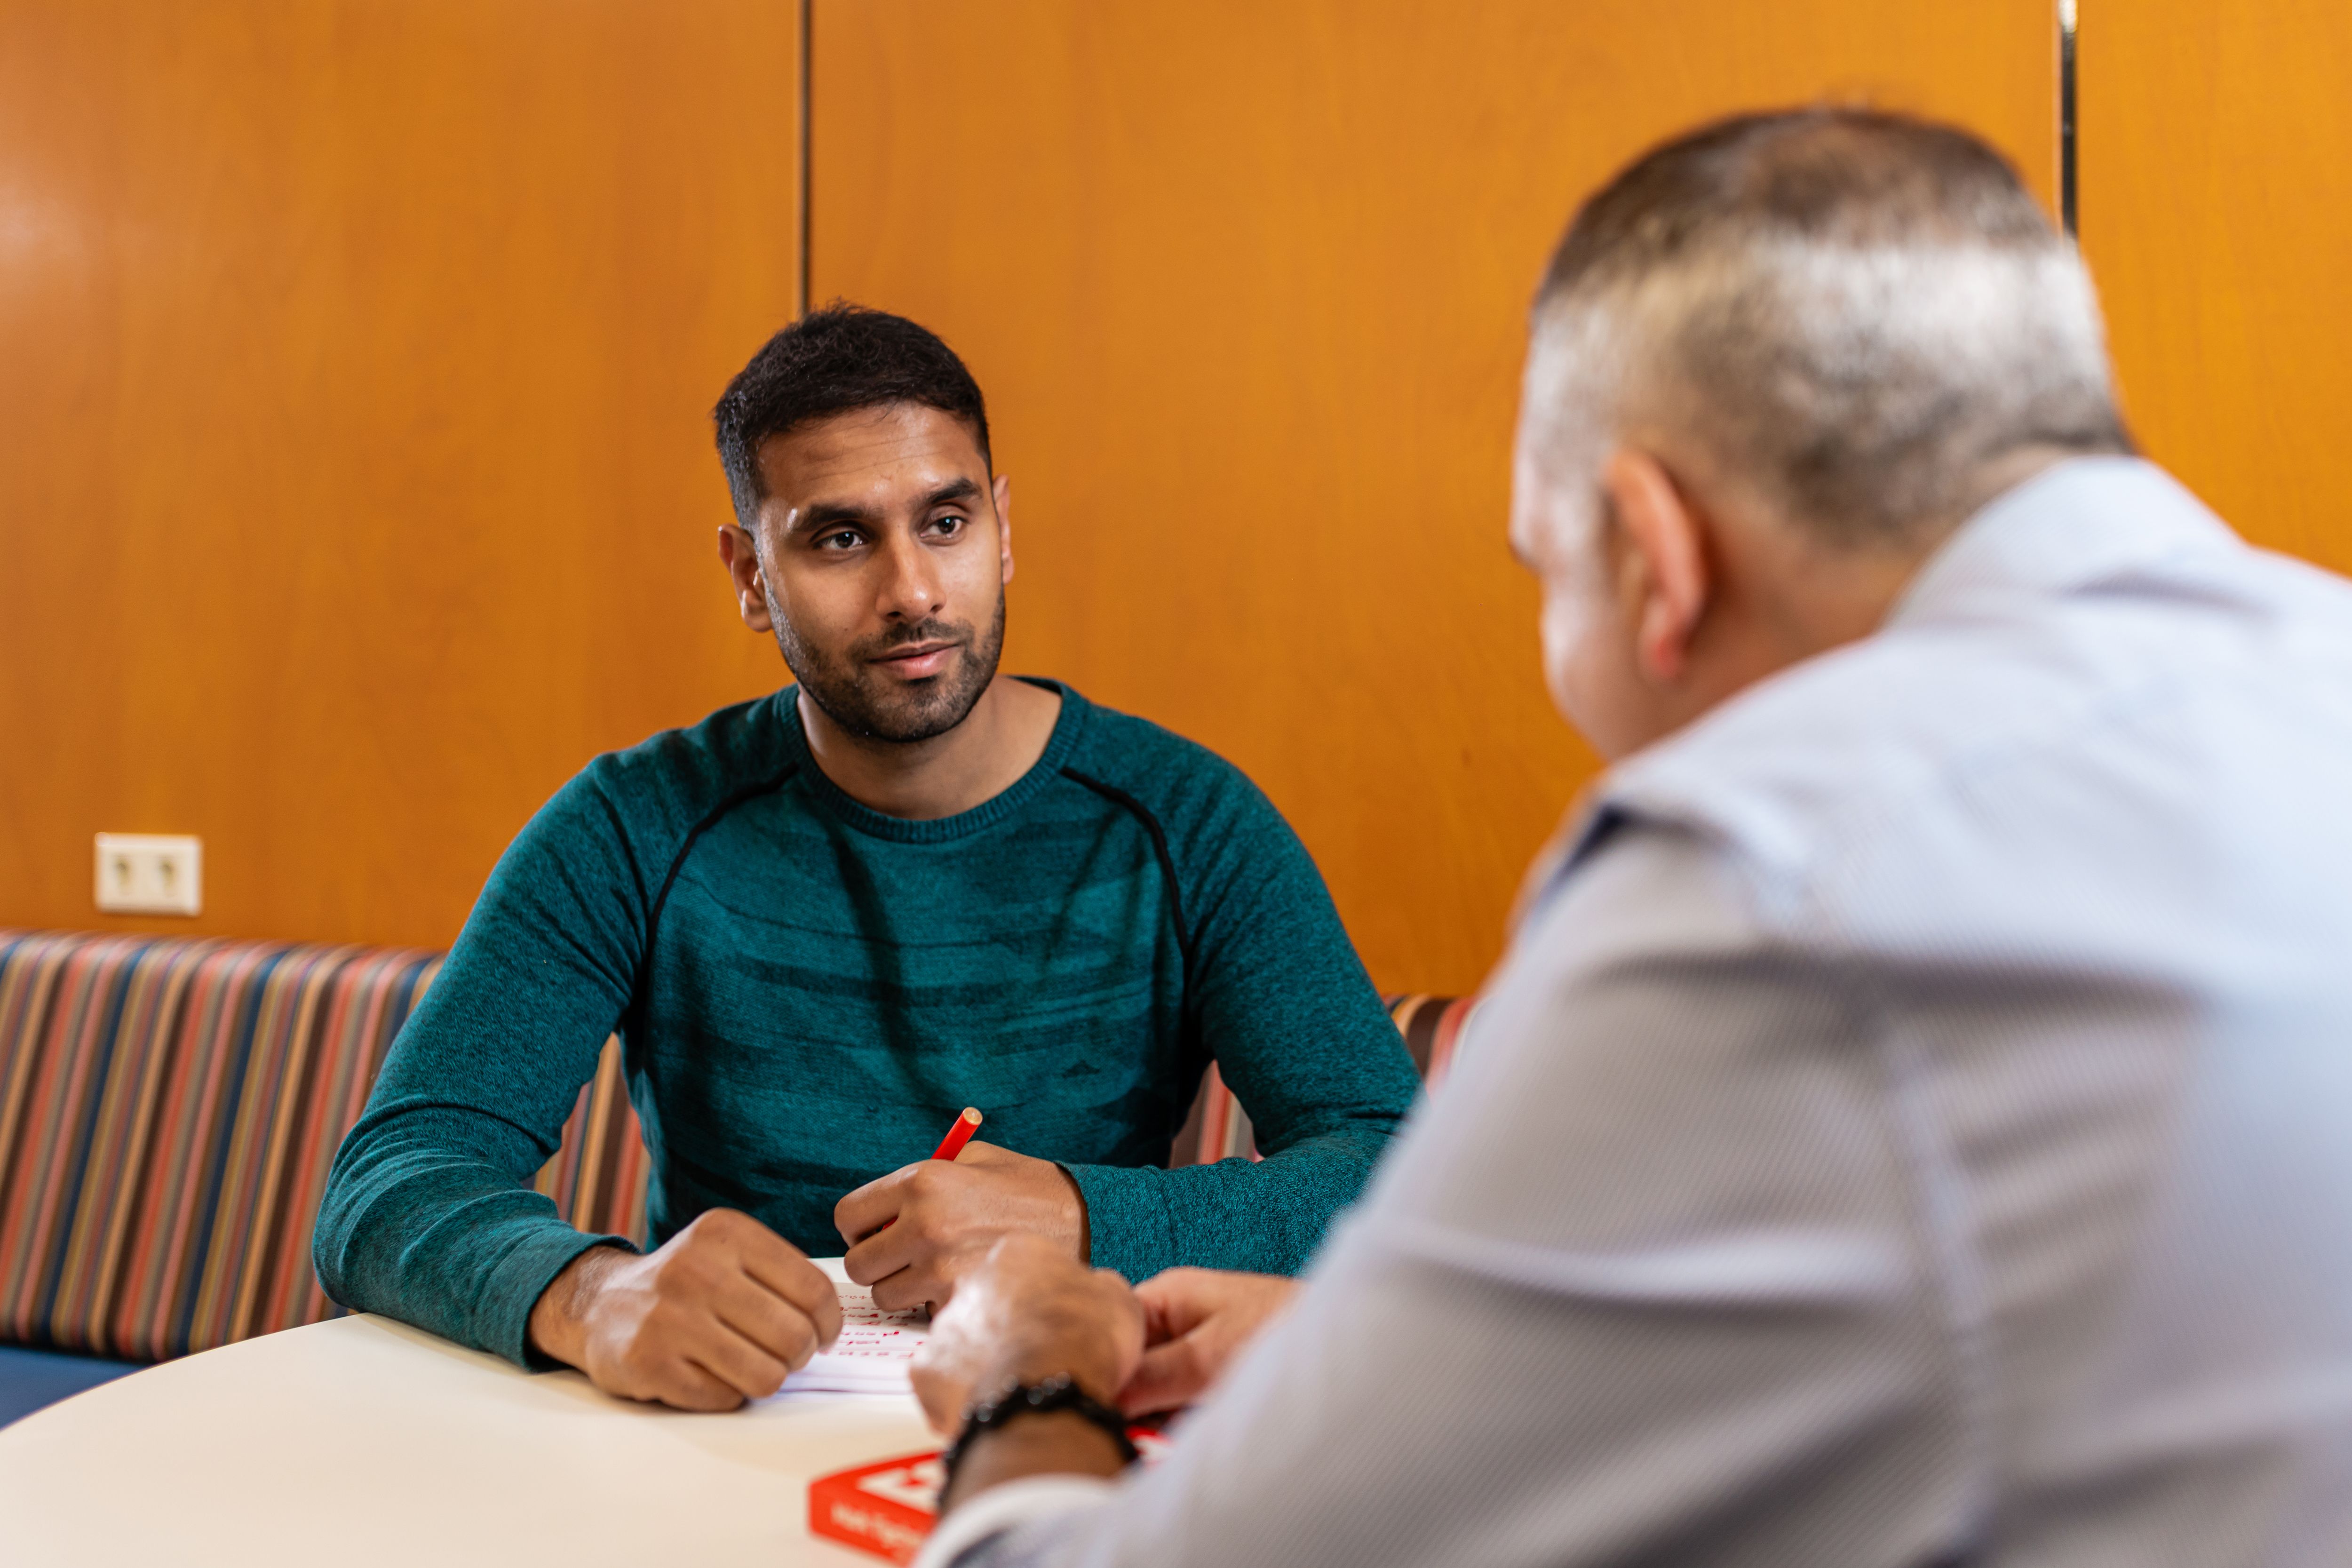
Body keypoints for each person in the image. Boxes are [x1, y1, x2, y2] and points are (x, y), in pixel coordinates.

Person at [901, 109, 2352, 1567]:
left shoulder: (1764, 869)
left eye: (1547, 571)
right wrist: (1393, 1357)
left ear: (1657, 557)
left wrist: (1022, 1390)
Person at [313, 306, 1422, 1411]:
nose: (913, 592)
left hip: (1061, 1421)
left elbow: (1395, 1167)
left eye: (946, 520)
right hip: (714, 1438)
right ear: (751, 575)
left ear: (1003, 528)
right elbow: (389, 1181)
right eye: (840, 537)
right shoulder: (631, 825)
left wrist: (1084, 1216)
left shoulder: (1189, 820)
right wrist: (594, 1293)